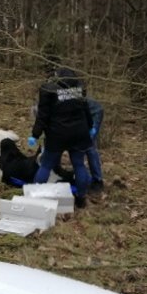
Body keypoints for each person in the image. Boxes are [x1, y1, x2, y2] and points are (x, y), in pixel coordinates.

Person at [28, 67, 94, 208]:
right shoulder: (79, 87)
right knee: (79, 165)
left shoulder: (48, 90)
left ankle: (33, 197)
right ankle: (81, 199)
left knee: (46, 165)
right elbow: (85, 109)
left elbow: (42, 115)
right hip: (79, 133)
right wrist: (90, 126)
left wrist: (35, 134)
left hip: (57, 134)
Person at [85, 97, 104, 193]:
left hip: (94, 112)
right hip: (85, 114)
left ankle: (97, 180)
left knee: (90, 147)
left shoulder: (57, 106)